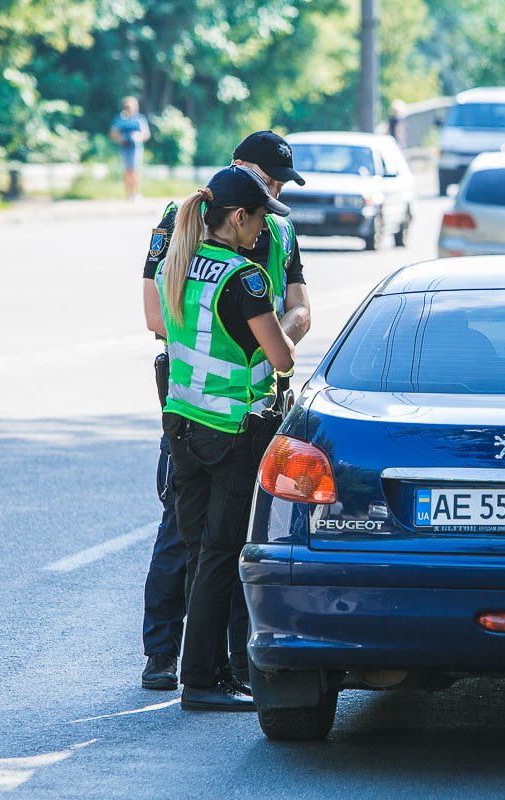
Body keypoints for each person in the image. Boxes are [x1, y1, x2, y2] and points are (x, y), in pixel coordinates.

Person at [138, 131, 310, 693]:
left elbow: (167, 324)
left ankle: (204, 668)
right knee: (217, 552)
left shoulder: (185, 260)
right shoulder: (241, 273)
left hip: (182, 416)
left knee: (197, 548)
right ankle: (196, 670)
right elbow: (281, 354)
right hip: (234, 424)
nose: (271, 207)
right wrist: (266, 338)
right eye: (266, 195)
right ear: (239, 215)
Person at [110, 96, 150, 199]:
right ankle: (128, 194)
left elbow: (146, 134)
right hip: (124, 148)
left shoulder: (140, 119)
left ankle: (135, 193)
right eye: (127, 107)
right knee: (127, 171)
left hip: (136, 148)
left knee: (135, 171)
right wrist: (120, 138)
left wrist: (138, 136)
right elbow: (113, 133)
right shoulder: (120, 119)